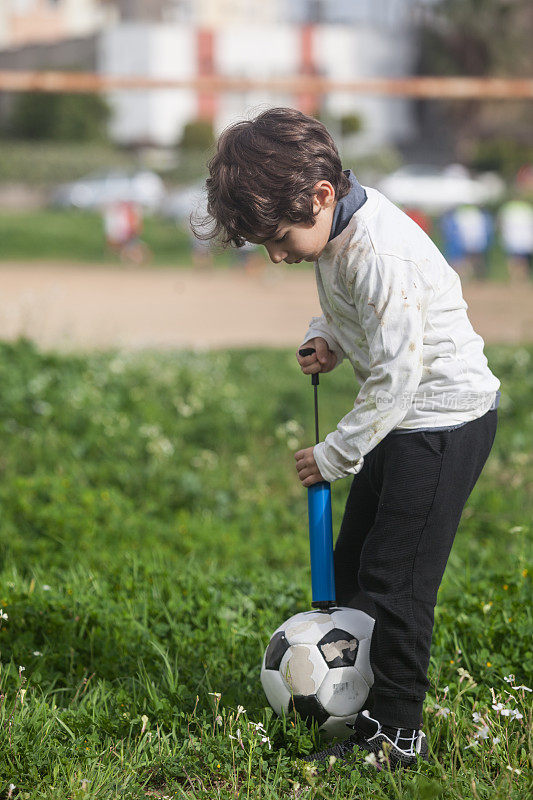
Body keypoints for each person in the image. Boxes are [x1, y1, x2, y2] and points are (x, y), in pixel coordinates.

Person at [195, 108, 500, 770]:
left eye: (278, 238)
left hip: (441, 420)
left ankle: (397, 736)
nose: (276, 255)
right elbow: (348, 310)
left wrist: (332, 453)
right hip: (403, 416)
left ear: (321, 194)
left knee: (395, 582)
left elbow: (396, 375)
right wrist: (327, 337)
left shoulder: (377, 251)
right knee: (356, 566)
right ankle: (349, 701)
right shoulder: (336, 233)